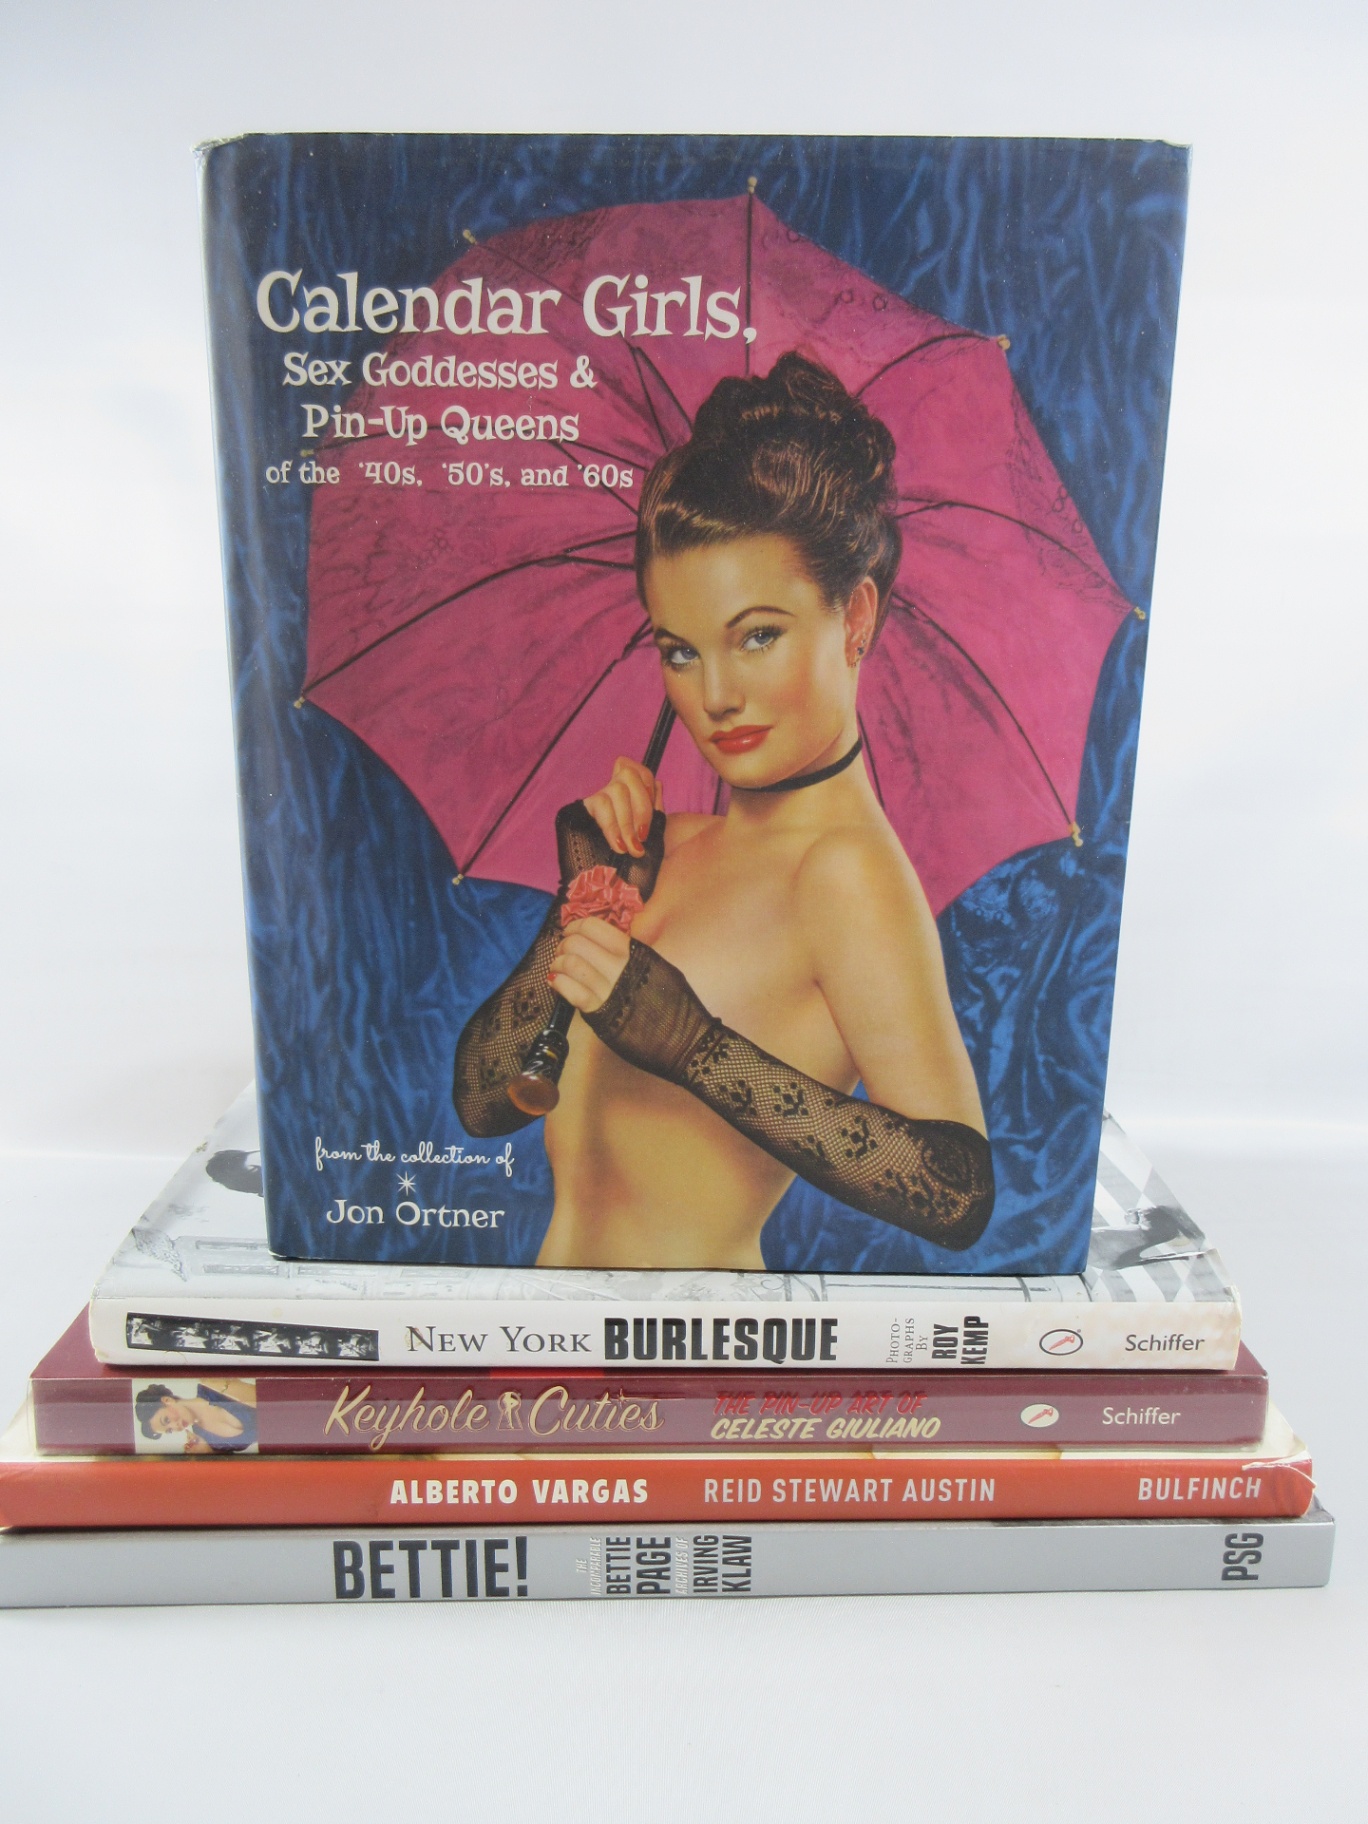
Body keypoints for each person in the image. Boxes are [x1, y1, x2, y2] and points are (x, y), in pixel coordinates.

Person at [454, 352, 993, 1270]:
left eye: (757, 636)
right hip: (553, 1335)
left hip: (694, 1349)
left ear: (855, 617)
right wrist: (582, 904)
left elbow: (955, 1190)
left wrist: (694, 1046)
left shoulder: (843, 874)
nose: (716, 696)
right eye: (681, 651)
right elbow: (483, 1103)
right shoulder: (663, 851)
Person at [134, 1380, 259, 1454]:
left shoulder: (209, 1385)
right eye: (170, 1430)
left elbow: (264, 1396)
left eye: (166, 1420)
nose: (175, 1427)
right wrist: (205, 1455)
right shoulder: (202, 1439)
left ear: (167, 1400)